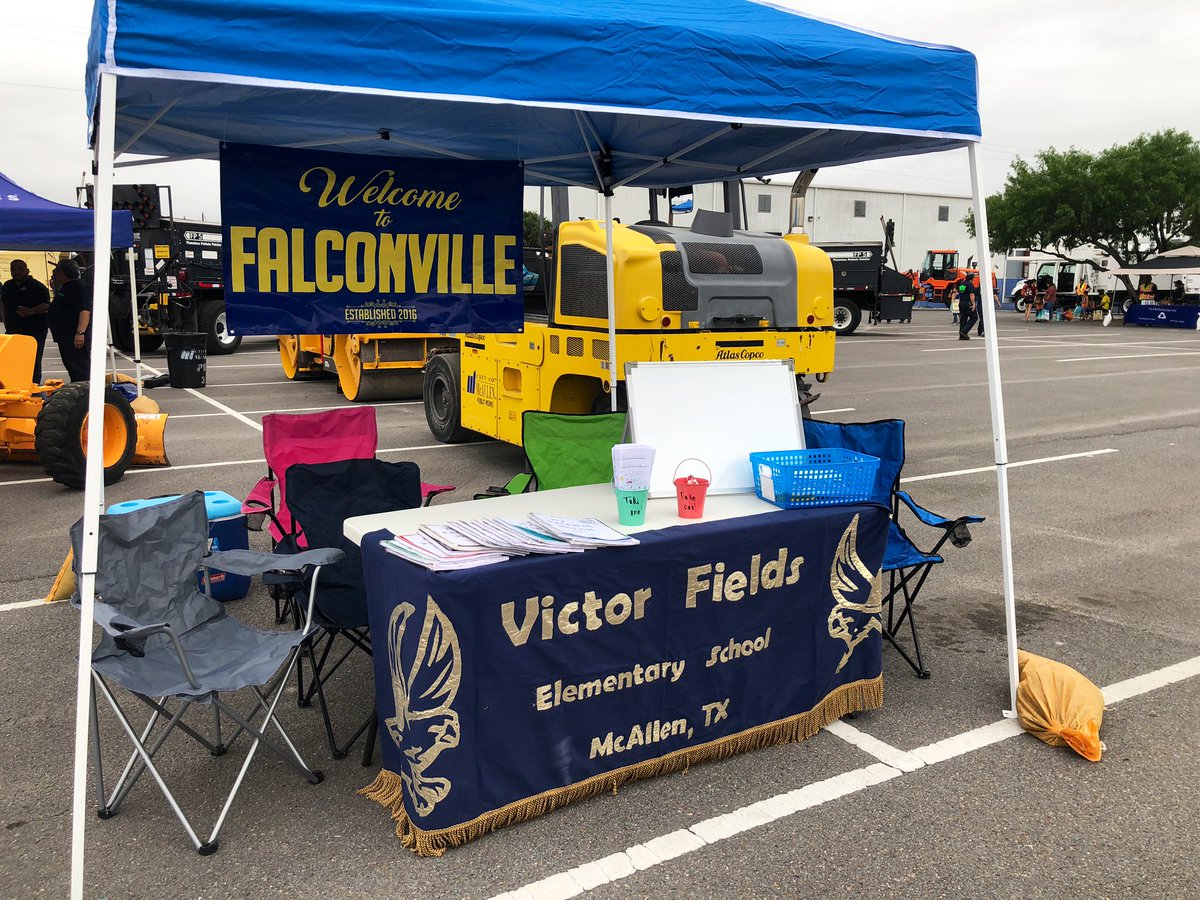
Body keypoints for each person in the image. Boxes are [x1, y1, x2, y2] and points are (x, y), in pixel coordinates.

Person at [2, 259, 52, 383]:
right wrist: (5, 321)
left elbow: (46, 306)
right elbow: (3, 304)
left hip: (35, 331)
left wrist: (31, 311)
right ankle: (16, 385)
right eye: (13, 269)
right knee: (13, 360)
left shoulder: (37, 286)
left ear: (27, 270)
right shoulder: (7, 286)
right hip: (13, 331)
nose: (17, 272)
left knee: (33, 360)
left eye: (20, 269)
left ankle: (34, 388)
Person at [49, 258, 92, 382]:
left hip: (74, 337)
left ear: (63, 273)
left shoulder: (77, 287)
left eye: (57, 271)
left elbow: (84, 311)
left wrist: (80, 332)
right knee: (73, 367)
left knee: (80, 368)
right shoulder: (66, 287)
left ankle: (85, 393)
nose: (55, 274)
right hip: (65, 338)